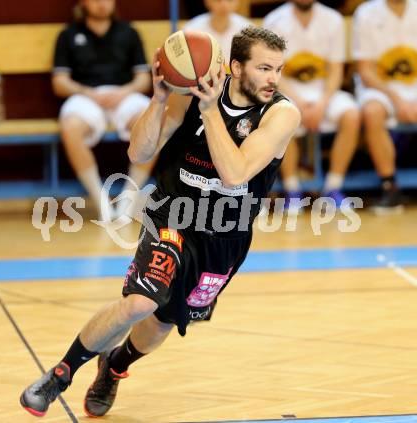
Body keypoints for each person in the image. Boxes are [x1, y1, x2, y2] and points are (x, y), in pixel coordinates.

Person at [20, 27, 300, 418]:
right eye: (264, 68)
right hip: (173, 216)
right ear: (235, 67)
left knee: (162, 324)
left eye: (278, 69)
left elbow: (235, 173)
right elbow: (139, 150)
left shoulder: (281, 114)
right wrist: (160, 98)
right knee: (140, 301)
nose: (274, 78)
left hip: (224, 235)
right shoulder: (194, 98)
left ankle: (115, 366)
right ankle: (60, 375)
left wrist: (209, 113)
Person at [52, 0, 152, 221]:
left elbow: (144, 79)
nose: (101, 3)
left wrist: (123, 92)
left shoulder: (129, 32)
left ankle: (129, 198)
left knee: (153, 123)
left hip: (124, 95)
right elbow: (60, 82)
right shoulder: (68, 35)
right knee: (70, 126)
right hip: (86, 96)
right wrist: (88, 92)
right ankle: (100, 201)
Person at [263, 0, 361, 211]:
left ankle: (333, 188)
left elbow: (336, 70)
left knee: (351, 114)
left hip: (324, 92)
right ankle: (292, 190)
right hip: (288, 91)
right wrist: (299, 103)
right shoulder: (274, 20)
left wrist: (322, 103)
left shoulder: (332, 19)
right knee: (282, 114)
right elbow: (273, 71)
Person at [352, 0, 417, 214]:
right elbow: (365, 70)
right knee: (372, 112)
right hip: (380, 88)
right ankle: (390, 186)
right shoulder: (366, 13)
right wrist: (398, 100)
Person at [183, 0, 252, 62]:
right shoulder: (191, 30)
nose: (224, 4)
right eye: (218, 0)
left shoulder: (248, 30)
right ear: (207, 1)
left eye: (229, 0)